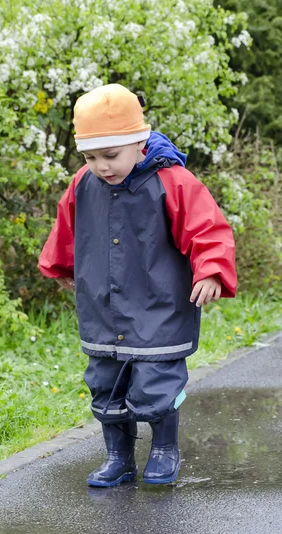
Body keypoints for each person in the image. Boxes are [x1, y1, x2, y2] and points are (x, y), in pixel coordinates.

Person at [38, 84, 237, 487]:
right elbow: (67, 228)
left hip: (158, 303)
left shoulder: (173, 180)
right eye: (91, 157)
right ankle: (118, 457)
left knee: (156, 383)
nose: (102, 166)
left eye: (111, 155)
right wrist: (62, 266)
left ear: (139, 142)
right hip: (103, 305)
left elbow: (207, 228)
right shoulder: (83, 183)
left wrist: (212, 269)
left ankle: (164, 449)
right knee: (105, 382)